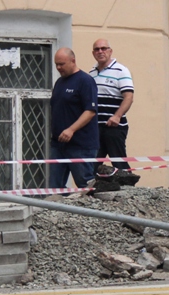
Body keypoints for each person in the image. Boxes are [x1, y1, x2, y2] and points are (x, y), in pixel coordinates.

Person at [49, 48, 98, 190]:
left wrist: (71, 129)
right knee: (54, 187)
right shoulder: (59, 83)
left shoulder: (85, 81)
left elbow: (90, 111)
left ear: (73, 61)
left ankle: (92, 211)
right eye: (56, 64)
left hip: (80, 145)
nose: (58, 68)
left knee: (85, 185)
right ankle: (58, 211)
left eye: (62, 64)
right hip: (58, 145)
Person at [88, 39, 134, 170]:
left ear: (110, 51)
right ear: (93, 53)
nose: (100, 51)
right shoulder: (92, 73)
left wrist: (117, 116)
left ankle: (128, 189)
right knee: (93, 165)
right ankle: (95, 189)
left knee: (119, 162)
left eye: (103, 48)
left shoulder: (121, 71)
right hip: (96, 127)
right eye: (97, 49)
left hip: (114, 127)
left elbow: (129, 97)